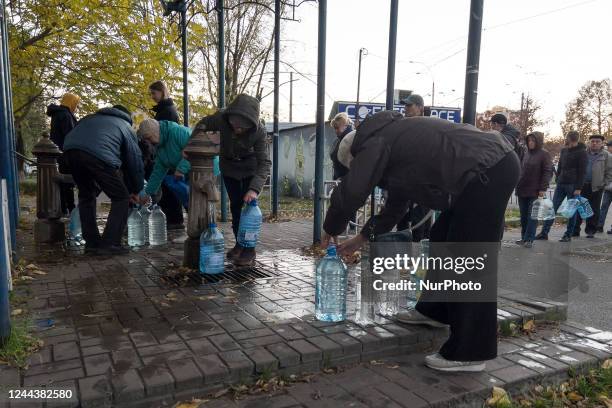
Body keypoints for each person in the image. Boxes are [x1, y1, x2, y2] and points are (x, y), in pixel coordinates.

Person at [321, 111, 519, 372]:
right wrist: (361, 238)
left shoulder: (374, 143)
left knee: (467, 257)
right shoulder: (392, 144)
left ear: (355, 158)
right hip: (480, 171)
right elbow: (396, 206)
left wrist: (330, 227)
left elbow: (353, 190)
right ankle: (435, 311)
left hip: (489, 170)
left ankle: (470, 352)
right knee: (441, 238)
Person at [192, 94, 271, 266]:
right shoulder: (220, 118)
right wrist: (192, 145)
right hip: (229, 169)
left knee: (249, 210)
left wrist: (254, 189)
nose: (237, 129)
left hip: (250, 169)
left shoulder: (259, 131)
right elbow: (201, 125)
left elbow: (264, 162)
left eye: (242, 127)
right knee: (235, 208)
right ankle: (239, 243)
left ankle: (249, 250)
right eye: (234, 124)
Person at [63, 105, 144, 255]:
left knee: (87, 195)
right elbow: (134, 160)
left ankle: (92, 244)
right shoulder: (125, 126)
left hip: (70, 151)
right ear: (128, 117)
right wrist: (135, 189)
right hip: (99, 154)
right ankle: (110, 243)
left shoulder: (90, 118)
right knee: (121, 197)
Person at [537, 131, 587, 242]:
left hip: (573, 185)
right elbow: (560, 166)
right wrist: (558, 178)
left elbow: (582, 172)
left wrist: (578, 188)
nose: (567, 139)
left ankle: (568, 235)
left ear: (572, 139)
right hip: (561, 183)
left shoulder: (582, 152)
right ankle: (544, 233)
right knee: (552, 208)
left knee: (571, 211)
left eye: (568, 138)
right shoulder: (564, 150)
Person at [148, 80, 184, 230]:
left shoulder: (167, 111)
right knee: (167, 186)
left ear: (162, 92)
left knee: (170, 187)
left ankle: (174, 219)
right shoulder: (165, 110)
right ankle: (173, 218)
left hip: (169, 154)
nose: (152, 97)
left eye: (154, 93)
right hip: (167, 153)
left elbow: (166, 135)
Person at [396, 94, 431, 242]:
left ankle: (420, 255)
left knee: (419, 221)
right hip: (404, 181)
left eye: (409, 105)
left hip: (422, 182)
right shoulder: (403, 125)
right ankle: (403, 256)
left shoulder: (427, 126)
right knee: (401, 219)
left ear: (420, 108)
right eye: (405, 105)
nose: (406, 108)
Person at [514, 132, 553, 248]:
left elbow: (547, 172)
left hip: (535, 190)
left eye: (533, 141)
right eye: (529, 140)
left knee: (532, 216)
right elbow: (521, 169)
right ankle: (524, 237)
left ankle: (529, 239)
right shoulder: (526, 153)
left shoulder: (544, 154)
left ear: (538, 142)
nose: (530, 143)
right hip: (522, 189)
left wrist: (543, 188)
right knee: (524, 215)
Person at [46, 93, 80, 216]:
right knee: (67, 182)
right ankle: (70, 209)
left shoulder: (57, 114)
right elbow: (70, 135)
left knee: (62, 183)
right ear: (71, 102)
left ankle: (63, 208)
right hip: (65, 153)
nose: (76, 107)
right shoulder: (65, 115)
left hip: (58, 153)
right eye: (76, 103)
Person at [573, 134, 611, 238]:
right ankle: (575, 230)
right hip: (582, 185)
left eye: (597, 141)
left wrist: (604, 183)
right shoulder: (583, 154)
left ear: (601, 143)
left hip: (597, 187)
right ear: (589, 143)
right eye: (592, 141)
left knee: (594, 209)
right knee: (579, 207)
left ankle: (590, 231)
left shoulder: (606, 155)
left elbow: (609, 171)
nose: (594, 143)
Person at [329, 112, 353, 180]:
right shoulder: (338, 140)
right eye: (334, 128)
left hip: (347, 179)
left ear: (344, 125)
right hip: (340, 178)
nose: (335, 131)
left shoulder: (351, 139)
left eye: (337, 128)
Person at [597, 140, 612, 234]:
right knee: (604, 207)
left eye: (609, 146)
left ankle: (600, 226)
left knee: (604, 206)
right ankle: (599, 226)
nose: (608, 148)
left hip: (608, 185)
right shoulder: (607, 156)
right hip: (608, 187)